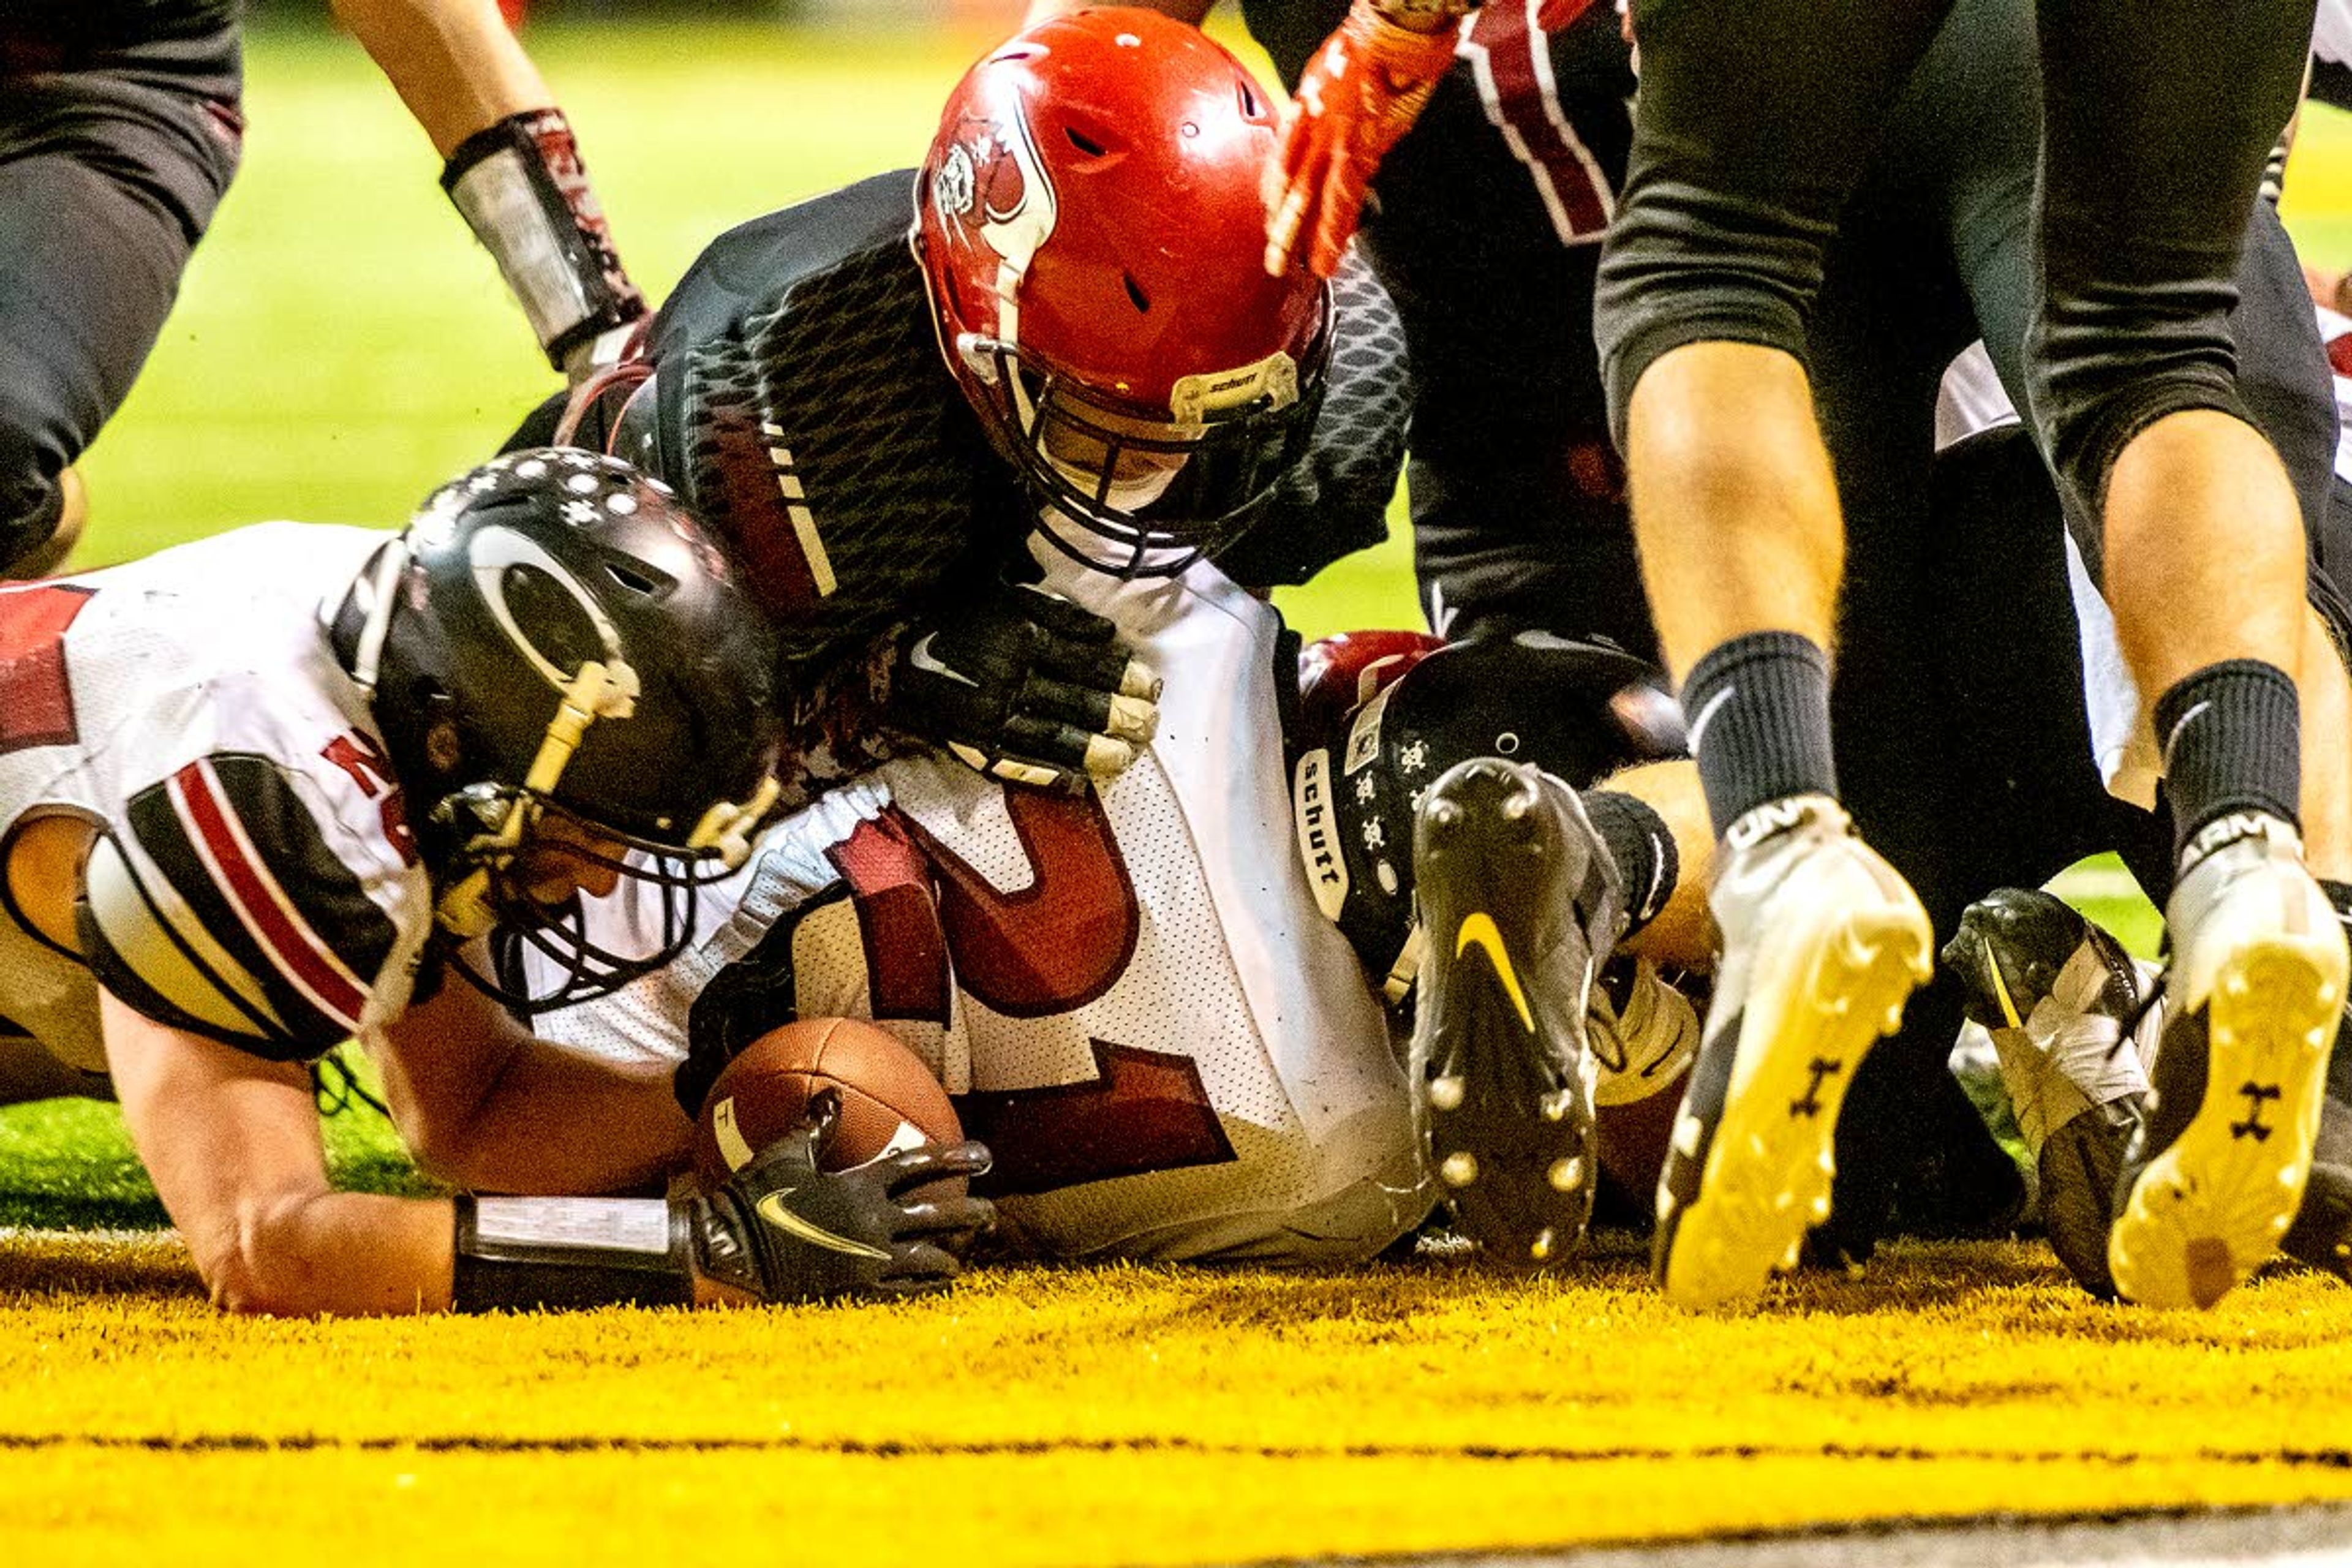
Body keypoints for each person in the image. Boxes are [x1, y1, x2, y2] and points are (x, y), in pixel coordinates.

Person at [382, 10, 1718, 1270]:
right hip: (809, 900)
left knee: (1539, 741)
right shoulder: (788, 409)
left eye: (1218, 418)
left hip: (970, 974)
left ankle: (1608, 982)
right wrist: (886, 671)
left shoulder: (1334, 375)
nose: (1163, 466)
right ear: (967, 330)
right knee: (1529, 755)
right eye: (1104, 422)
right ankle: (1636, 1033)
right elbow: (557, 672)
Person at [0, 450, 995, 1314]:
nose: (601, 882)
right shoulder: (275, 806)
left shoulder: (413, 670)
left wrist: (720, 1092)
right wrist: (703, 1258)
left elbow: (474, 1113)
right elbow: (270, 1248)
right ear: (463, 743)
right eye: (583, 834)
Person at [1, 0, 647, 578]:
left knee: (5, 436)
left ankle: (29, 513)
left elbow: (425, 17)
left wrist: (597, 321)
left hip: (98, 87)